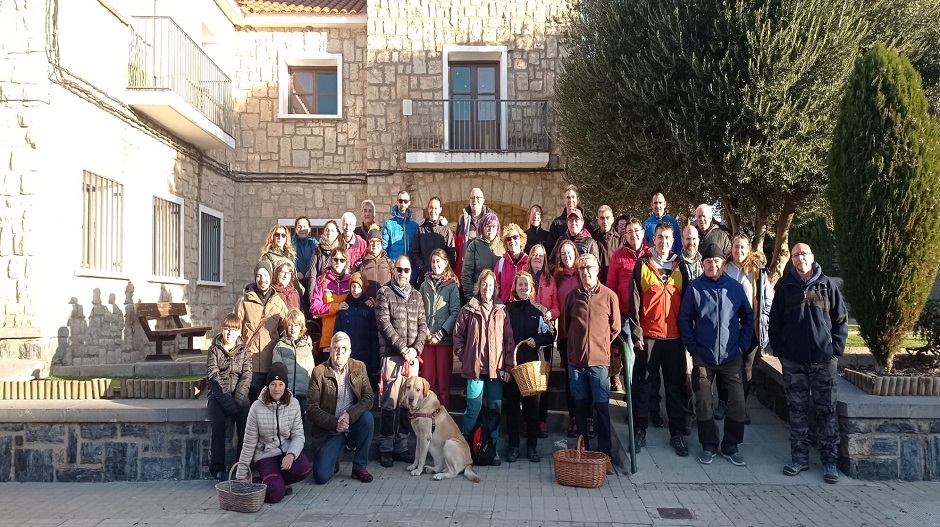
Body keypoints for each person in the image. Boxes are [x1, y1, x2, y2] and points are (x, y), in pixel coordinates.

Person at [769, 243, 848, 484]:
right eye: (795, 255)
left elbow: (840, 320)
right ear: (791, 259)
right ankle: (799, 458)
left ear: (812, 256)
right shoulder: (784, 287)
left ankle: (829, 462)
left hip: (823, 361)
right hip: (794, 362)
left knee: (826, 412)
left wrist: (835, 352)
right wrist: (782, 353)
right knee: (797, 412)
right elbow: (775, 323)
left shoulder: (827, 285)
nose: (800, 257)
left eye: (804, 253)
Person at [678, 245, 754, 466]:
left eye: (717, 261)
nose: (713, 265)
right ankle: (709, 444)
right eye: (708, 261)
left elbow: (748, 318)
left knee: (738, 401)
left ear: (723, 263)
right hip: (703, 356)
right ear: (703, 264)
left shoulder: (735, 288)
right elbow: (684, 320)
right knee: (702, 400)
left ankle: (731, 445)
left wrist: (742, 346)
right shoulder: (695, 288)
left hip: (732, 356)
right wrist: (693, 348)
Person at [628, 222, 688, 456]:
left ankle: (677, 434)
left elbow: (687, 304)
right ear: (653, 238)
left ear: (674, 241)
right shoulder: (642, 263)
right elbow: (633, 302)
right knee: (644, 385)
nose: (663, 242)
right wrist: (636, 332)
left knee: (675, 388)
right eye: (660, 237)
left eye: (667, 238)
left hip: (674, 338)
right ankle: (640, 430)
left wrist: (686, 335)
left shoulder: (680, 266)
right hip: (649, 336)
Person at [560, 254, 621, 459]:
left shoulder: (609, 296)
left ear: (597, 270)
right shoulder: (572, 296)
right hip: (576, 362)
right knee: (580, 407)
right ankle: (582, 450)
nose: (586, 272)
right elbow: (565, 327)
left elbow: (615, 328)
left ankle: (605, 453)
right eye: (582, 268)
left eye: (589, 268)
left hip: (599, 363)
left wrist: (600, 345)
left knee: (602, 408)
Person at [453, 270, 514, 466]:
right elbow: (458, 337)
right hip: (476, 371)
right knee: (474, 408)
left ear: (495, 287)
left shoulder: (501, 311)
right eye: (484, 284)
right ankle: (467, 447)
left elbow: (508, 341)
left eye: (491, 284)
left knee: (495, 409)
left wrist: (508, 366)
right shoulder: (468, 309)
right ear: (479, 286)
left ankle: (491, 448)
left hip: (496, 371)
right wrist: (466, 357)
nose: (487, 288)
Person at [374, 255, 428, 467]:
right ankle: (386, 448)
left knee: (408, 404)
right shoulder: (383, 293)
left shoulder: (416, 295)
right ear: (393, 270)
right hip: (392, 356)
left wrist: (415, 350)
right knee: (389, 405)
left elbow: (423, 325)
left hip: (412, 358)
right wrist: (402, 348)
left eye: (406, 270)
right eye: (399, 270)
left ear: (411, 272)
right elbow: (384, 324)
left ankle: (402, 446)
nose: (403, 274)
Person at [714, 234, 773, 423]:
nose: (738, 250)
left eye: (742, 247)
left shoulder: (757, 270)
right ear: (731, 248)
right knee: (724, 366)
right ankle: (723, 403)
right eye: (736, 246)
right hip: (727, 327)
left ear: (748, 249)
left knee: (746, 367)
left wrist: (764, 321)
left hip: (750, 326)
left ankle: (741, 407)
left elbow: (767, 298)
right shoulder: (723, 267)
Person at [235, 362, 312, 504]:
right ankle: (268, 482)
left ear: (285, 386)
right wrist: (241, 477)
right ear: (267, 386)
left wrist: (291, 454)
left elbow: (298, 436)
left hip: (285, 451)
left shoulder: (293, 404)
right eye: (273, 384)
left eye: (280, 384)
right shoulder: (256, 407)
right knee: (275, 495)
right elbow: (249, 443)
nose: (277, 389)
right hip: (265, 455)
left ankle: (276, 480)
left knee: (304, 468)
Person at [306, 332, 376, 484]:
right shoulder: (319, 372)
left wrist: (350, 415)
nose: (340, 352)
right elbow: (311, 408)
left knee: (368, 419)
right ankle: (333, 458)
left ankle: (359, 467)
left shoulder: (359, 367)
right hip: (330, 430)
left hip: (353, 423)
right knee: (321, 477)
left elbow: (369, 398)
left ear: (350, 351)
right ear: (330, 350)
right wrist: (334, 422)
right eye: (336, 348)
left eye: (344, 348)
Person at [504, 271, 554, 463]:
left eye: (526, 285)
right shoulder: (506, 309)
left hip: (532, 369)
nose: (523, 288)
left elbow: (551, 333)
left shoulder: (539, 310)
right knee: (513, 409)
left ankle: (532, 447)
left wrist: (537, 340)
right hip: (512, 367)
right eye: (520, 284)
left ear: (531, 288)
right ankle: (514, 446)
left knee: (532, 409)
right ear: (515, 287)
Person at [206, 313, 252, 481]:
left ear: (239, 331)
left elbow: (246, 376)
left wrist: (238, 400)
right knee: (218, 426)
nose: (230, 333)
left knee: (245, 427)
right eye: (226, 329)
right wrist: (228, 403)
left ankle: (242, 465)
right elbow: (213, 377)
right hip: (218, 395)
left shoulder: (245, 350)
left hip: (239, 394)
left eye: (233, 330)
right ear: (222, 330)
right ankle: (217, 468)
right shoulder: (214, 350)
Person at [606, 217, 649, 395]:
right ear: (625, 235)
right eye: (629, 232)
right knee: (630, 356)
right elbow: (611, 289)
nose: (633, 235)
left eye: (636, 231)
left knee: (646, 359)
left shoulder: (650, 254)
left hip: (647, 315)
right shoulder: (618, 255)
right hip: (626, 315)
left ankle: (644, 398)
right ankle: (631, 400)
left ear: (643, 233)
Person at [235, 260, 288, 400]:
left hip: (270, 361)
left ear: (270, 277)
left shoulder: (278, 303)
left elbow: (286, 329)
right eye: (258, 275)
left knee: (267, 404)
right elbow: (235, 327)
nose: (262, 280)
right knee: (249, 403)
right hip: (249, 362)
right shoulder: (244, 301)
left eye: (265, 275)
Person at [418, 249, 461, 410]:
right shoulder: (424, 285)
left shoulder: (452, 286)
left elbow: (455, 311)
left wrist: (442, 332)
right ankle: (426, 416)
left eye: (438, 261)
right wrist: (427, 332)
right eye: (433, 262)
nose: (435, 265)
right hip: (428, 341)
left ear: (445, 263)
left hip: (444, 341)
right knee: (427, 384)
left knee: (444, 385)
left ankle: (443, 418)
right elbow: (420, 310)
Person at [525, 243, 557, 437]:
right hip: (526, 332)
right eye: (534, 254)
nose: (537, 257)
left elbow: (556, 306)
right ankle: (525, 420)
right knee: (526, 377)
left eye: (541, 255)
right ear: (530, 257)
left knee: (543, 378)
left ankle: (541, 420)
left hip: (544, 333)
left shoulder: (550, 280)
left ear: (545, 259)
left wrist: (551, 313)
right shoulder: (523, 277)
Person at [553, 239, 583, 437]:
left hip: (583, 335)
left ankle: (586, 417)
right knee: (570, 379)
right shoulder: (556, 277)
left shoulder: (583, 274)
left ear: (575, 253)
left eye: (569, 252)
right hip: (565, 336)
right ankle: (574, 418)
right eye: (563, 254)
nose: (567, 256)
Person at [334, 272, 381, 389]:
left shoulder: (369, 309)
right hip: (347, 359)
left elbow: (374, 337)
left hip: (366, 360)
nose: (355, 289)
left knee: (364, 392)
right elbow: (337, 335)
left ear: (363, 288)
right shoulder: (344, 308)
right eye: (353, 286)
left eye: (359, 287)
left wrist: (375, 362)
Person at [309, 247, 352, 357]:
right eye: (335, 259)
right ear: (330, 260)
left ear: (346, 262)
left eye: (342, 260)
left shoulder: (351, 281)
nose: (338, 262)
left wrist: (370, 301)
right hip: (328, 339)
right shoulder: (322, 280)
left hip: (346, 340)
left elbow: (360, 298)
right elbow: (314, 308)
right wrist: (335, 307)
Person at [272, 309, 315, 414]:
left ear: (301, 327)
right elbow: (276, 370)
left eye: (296, 325)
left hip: (303, 394)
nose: (293, 328)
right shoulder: (280, 346)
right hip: (286, 394)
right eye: (290, 325)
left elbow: (310, 370)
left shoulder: (306, 346)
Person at [411, 196, 457, 282]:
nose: (433, 211)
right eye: (431, 208)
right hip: (424, 276)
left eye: (436, 208)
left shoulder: (446, 230)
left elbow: (452, 253)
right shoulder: (420, 230)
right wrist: (421, 267)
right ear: (428, 209)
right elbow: (415, 252)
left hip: (442, 277)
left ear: (440, 210)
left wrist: (444, 269)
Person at [460, 212, 503, 302]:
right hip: (478, 297)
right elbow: (466, 274)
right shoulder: (474, 246)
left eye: (494, 226)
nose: (491, 229)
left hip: (498, 299)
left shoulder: (503, 246)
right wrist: (470, 297)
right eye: (488, 225)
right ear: (482, 227)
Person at [455, 187, 493, 276]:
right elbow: (456, 246)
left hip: (485, 270)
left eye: (478, 198)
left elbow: (496, 244)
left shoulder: (491, 219)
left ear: (483, 200)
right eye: (472, 198)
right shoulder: (462, 219)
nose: (475, 200)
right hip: (466, 269)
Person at [547, 185, 593, 253]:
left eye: (573, 197)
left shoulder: (586, 223)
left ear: (578, 200)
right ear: (564, 201)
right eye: (568, 198)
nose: (570, 200)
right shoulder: (557, 223)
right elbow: (550, 247)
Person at [354, 225, 393, 300]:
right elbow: (355, 285)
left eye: (378, 241)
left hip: (385, 303)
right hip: (367, 305)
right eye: (372, 241)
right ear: (368, 243)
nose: (375, 244)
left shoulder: (389, 263)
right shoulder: (361, 263)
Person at [494, 223, 529, 303]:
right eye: (509, 239)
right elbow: (495, 290)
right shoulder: (500, 264)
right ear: (506, 243)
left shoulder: (529, 262)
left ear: (521, 240)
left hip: (525, 309)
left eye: (515, 237)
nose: (512, 240)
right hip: (506, 310)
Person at [382, 190, 419, 261]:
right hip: (394, 269)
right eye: (400, 201)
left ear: (409, 203)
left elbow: (417, 251)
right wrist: (390, 265)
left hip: (410, 269)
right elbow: (384, 249)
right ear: (397, 202)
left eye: (405, 201)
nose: (402, 204)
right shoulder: (388, 224)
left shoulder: (415, 226)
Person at [292, 216, 318, 314]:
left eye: (304, 226)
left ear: (309, 228)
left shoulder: (315, 245)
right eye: (299, 227)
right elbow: (287, 262)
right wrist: (295, 273)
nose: (302, 229)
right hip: (295, 282)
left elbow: (318, 262)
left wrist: (311, 271)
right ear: (295, 229)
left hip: (311, 282)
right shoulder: (290, 245)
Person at [593, 205, 621, 285]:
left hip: (616, 282)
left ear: (612, 219)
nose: (605, 221)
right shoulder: (592, 239)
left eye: (607, 218)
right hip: (598, 283)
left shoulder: (621, 239)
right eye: (602, 218)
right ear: (598, 220)